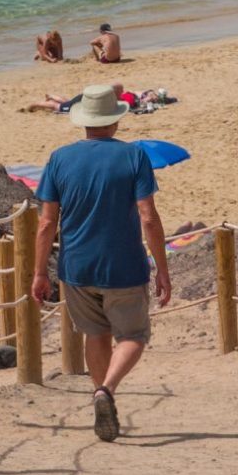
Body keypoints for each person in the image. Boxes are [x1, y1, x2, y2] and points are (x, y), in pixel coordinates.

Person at [31, 85, 169, 444]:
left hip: (76, 266)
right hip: (123, 265)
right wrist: (163, 268)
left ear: (84, 121)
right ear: (116, 120)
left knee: (96, 333)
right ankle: (105, 390)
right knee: (134, 336)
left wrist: (38, 272)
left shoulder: (59, 158)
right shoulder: (134, 156)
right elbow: (148, 217)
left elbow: (46, 223)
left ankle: (100, 395)